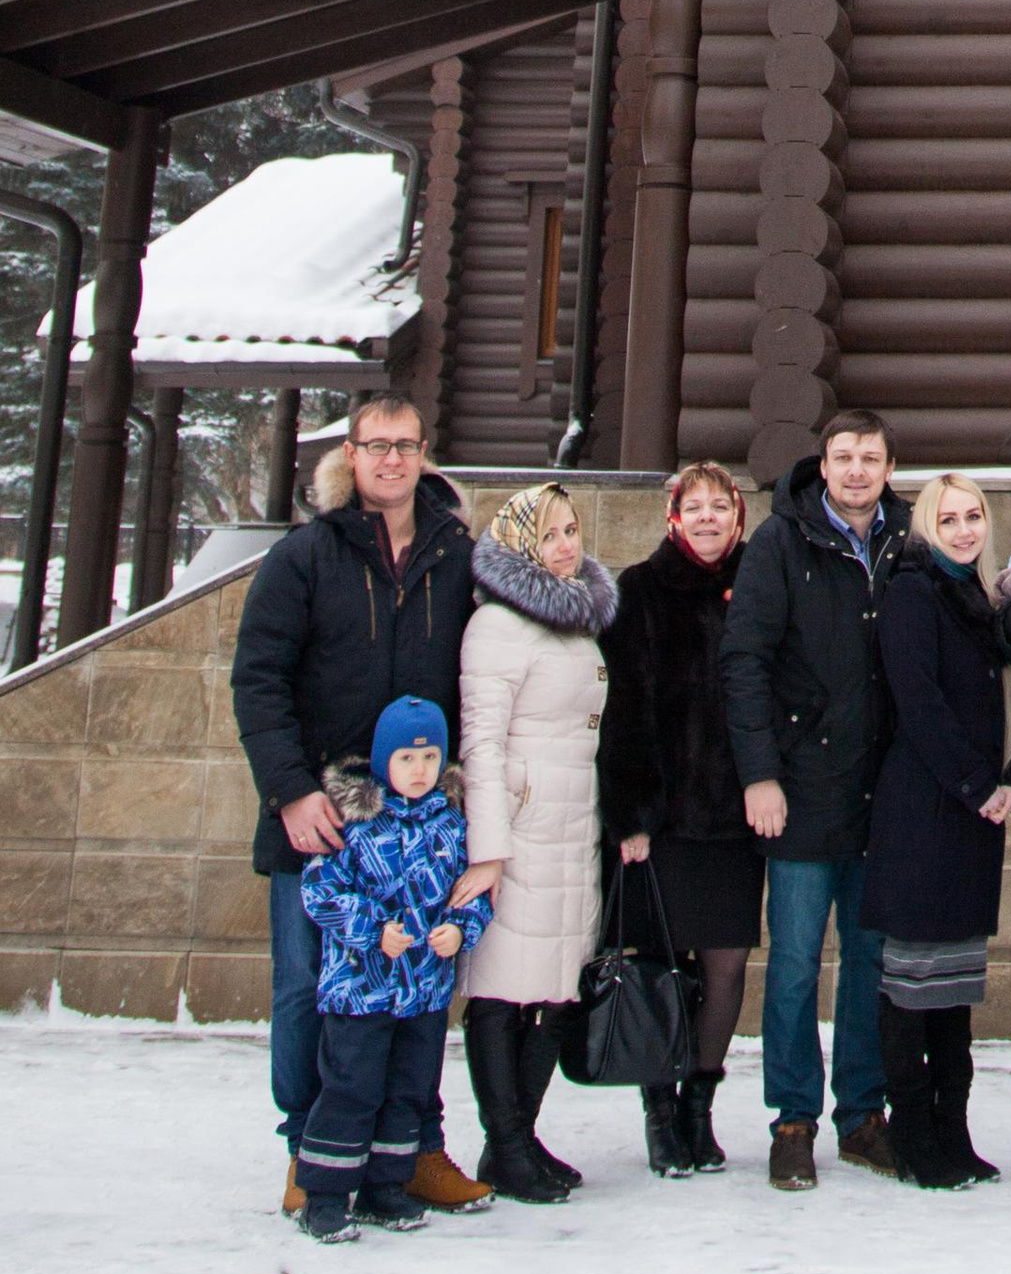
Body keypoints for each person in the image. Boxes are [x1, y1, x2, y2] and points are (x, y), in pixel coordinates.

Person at [229, 391, 489, 1217]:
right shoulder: (307, 555)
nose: (391, 461)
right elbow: (258, 679)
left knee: (417, 983)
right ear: (351, 454)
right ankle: (310, 1152)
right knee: (309, 982)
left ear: (423, 454)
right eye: (376, 446)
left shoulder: (457, 554)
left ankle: (412, 1149)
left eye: (406, 446)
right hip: (327, 814)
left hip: (419, 821)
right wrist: (292, 793)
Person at [721, 409, 911, 1193]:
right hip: (799, 792)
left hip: (882, 793)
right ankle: (793, 1119)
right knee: (796, 965)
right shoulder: (781, 540)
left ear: (890, 466)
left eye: (870, 457)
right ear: (823, 466)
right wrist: (759, 774)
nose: (857, 470)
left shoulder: (909, 541)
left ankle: (863, 1115)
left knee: (869, 963)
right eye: (844, 457)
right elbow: (745, 661)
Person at [864, 472, 1011, 1188]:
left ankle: (953, 1130)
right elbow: (920, 703)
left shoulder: (979, 596)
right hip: (924, 809)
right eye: (950, 518)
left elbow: (1004, 703)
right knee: (911, 985)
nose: (965, 530)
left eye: (975, 517)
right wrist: (976, 784)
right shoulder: (911, 591)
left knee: (955, 989)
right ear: (926, 526)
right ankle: (912, 1133)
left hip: (972, 814)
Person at [599, 458, 763, 1180]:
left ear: (737, 517)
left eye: (718, 508)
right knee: (661, 967)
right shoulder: (639, 589)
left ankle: (700, 1106)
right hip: (661, 822)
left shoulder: (759, 585)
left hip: (734, 816)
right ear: (674, 518)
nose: (706, 519)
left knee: (726, 962)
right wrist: (630, 813)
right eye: (693, 508)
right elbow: (624, 708)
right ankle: (661, 1115)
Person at [457, 480, 618, 1205]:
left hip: (570, 825)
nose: (565, 545)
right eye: (550, 533)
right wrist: (488, 849)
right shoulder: (497, 625)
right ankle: (507, 1142)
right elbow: (482, 745)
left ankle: (518, 1139)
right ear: (521, 541)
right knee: (500, 990)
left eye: (572, 530)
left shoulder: (578, 621)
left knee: (554, 988)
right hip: (519, 831)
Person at [294, 698, 491, 1242]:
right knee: (351, 1088)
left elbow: (471, 893)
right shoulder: (355, 822)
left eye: (429, 757)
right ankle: (327, 1194)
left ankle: (387, 1187)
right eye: (407, 757)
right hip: (361, 991)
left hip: (423, 992)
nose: (420, 769)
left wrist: (461, 927)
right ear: (385, 762)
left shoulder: (451, 823)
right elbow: (321, 891)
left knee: (408, 1090)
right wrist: (373, 930)